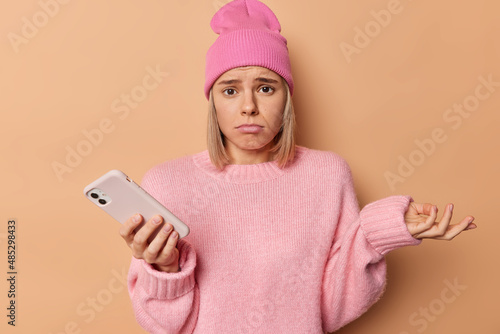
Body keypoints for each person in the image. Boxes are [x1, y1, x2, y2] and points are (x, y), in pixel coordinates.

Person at [119, 0, 477, 333]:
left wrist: (374, 230)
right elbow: (165, 326)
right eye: (230, 90)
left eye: (265, 88)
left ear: (287, 96)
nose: (248, 106)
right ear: (212, 101)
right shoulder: (167, 183)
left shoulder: (326, 174)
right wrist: (165, 271)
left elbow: (328, 309)